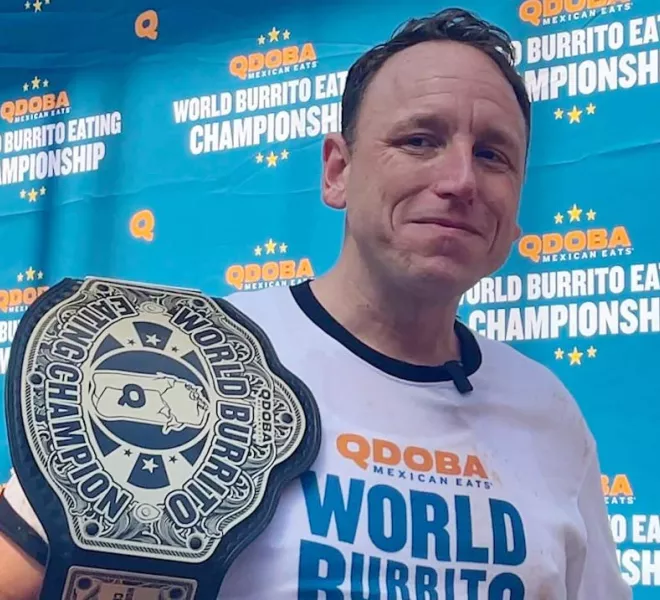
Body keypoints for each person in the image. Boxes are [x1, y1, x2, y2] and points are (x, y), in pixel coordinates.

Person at [0, 7, 631, 600]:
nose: (460, 181)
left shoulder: (548, 412)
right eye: (418, 140)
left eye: (493, 155)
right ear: (337, 172)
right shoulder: (189, 357)